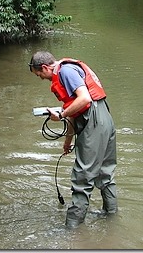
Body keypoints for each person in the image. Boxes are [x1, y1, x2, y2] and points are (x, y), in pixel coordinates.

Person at [29, 51, 117, 228]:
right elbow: (74, 110)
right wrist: (68, 141)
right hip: (104, 120)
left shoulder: (65, 72)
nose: (40, 78)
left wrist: (60, 115)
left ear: (45, 67)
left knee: (82, 177)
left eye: (39, 74)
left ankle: (72, 229)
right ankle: (112, 219)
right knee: (104, 173)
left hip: (94, 122)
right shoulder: (67, 71)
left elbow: (85, 99)